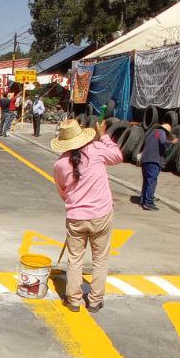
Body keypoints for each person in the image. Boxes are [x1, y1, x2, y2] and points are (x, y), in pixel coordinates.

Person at [50, 118, 125, 312]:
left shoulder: (59, 164)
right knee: (100, 259)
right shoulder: (97, 150)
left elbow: (62, 191)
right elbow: (117, 156)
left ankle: (74, 300)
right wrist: (104, 137)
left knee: (75, 259)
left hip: (76, 217)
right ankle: (95, 300)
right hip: (101, 214)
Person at [139, 122, 175, 211]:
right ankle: (148, 203)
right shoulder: (160, 132)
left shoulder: (152, 133)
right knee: (151, 182)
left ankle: (143, 200)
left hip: (145, 160)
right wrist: (172, 142)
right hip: (153, 161)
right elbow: (163, 141)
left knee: (147, 181)